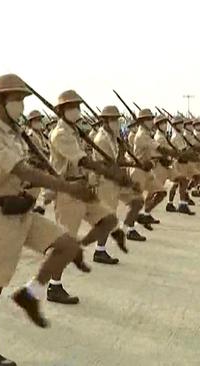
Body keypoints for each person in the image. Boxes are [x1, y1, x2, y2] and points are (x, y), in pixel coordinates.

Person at [0, 74, 94, 365]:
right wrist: (65, 186)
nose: (21, 105)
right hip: (0, 216)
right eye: (15, 99)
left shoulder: (15, 134)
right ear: (0, 102)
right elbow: (22, 172)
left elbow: (30, 167)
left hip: (24, 211)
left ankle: (32, 293)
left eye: (22, 99)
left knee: (68, 245)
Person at [49, 89, 126, 303]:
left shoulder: (74, 132)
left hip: (83, 189)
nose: (77, 111)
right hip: (69, 191)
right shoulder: (61, 134)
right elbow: (81, 160)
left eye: (78, 107)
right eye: (73, 107)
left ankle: (93, 249)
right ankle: (53, 286)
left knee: (108, 218)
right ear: (63, 111)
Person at [94, 105, 147, 242]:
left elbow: (119, 161)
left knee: (137, 201)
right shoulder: (101, 140)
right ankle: (99, 250)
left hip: (117, 179)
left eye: (117, 119)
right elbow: (111, 164)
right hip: (106, 181)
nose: (116, 122)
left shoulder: (112, 137)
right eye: (113, 120)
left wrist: (129, 158)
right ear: (105, 121)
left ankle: (129, 229)